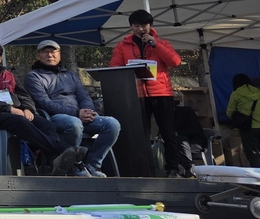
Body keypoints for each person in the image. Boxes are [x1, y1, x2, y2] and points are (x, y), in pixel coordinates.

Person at [0, 40, 84, 175]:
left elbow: (24, 95)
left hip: (18, 112)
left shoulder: (8, 75)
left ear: (0, 57)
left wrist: (28, 109)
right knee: (21, 122)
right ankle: (63, 149)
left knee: (45, 124)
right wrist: (9, 109)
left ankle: (54, 160)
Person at [110, 10, 191, 177]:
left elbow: (175, 62)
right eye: (136, 25)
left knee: (168, 132)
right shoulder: (123, 46)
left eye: (144, 25)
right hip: (136, 95)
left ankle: (172, 168)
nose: (140, 29)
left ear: (150, 26)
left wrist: (156, 45)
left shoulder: (162, 43)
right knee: (141, 134)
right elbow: (114, 67)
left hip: (161, 93)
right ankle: (144, 169)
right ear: (131, 26)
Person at [23, 40, 120, 178]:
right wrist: (76, 113)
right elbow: (44, 103)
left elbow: (83, 95)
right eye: (45, 52)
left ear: (59, 54)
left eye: (53, 52)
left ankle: (93, 164)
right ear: (38, 55)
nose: (50, 55)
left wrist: (88, 111)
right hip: (54, 117)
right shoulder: (33, 76)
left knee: (112, 124)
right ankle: (75, 165)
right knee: (74, 123)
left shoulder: (70, 75)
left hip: (79, 115)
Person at [225, 73, 260, 167]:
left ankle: (257, 173)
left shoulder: (236, 94)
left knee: (253, 154)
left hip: (248, 128)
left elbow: (229, 112)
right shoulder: (258, 91)